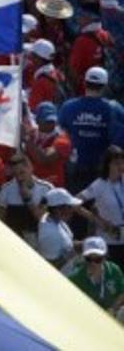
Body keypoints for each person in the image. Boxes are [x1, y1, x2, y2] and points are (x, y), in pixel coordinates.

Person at [58, 66, 124, 195]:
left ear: (85, 83)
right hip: (103, 171)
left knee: (76, 206)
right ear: (105, 86)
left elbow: (59, 135)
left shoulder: (68, 107)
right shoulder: (114, 108)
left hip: (75, 168)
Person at [77, 145, 124, 266]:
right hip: (110, 240)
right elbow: (75, 202)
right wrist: (98, 220)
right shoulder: (99, 185)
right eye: (117, 163)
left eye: (122, 163)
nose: (121, 166)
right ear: (108, 164)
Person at [65, 237, 124, 313]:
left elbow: (122, 292)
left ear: (105, 257)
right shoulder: (76, 277)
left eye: (98, 259)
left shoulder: (114, 270)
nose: (93, 263)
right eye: (88, 259)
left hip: (112, 314)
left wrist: (113, 309)